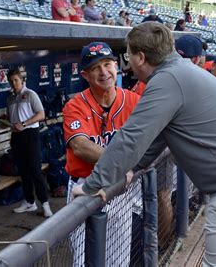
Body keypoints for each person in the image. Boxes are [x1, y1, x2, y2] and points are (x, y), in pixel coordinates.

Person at [73, 22, 216, 266]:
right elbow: (158, 137)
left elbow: (130, 139)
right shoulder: (181, 70)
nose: (129, 62)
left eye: (129, 55)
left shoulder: (167, 80)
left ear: (141, 57)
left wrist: (94, 184)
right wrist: (133, 169)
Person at [63, 42, 140, 266]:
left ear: (116, 66)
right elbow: (80, 146)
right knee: (84, 258)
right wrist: (120, 163)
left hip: (120, 187)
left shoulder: (133, 101)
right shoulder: (75, 105)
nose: (104, 72)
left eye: (107, 64)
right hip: (85, 188)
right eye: (96, 67)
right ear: (85, 74)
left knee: (119, 258)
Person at [5, 69, 52, 218]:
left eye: (16, 80)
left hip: (30, 135)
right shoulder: (10, 98)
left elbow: (41, 114)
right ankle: (29, 202)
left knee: (35, 171)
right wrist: (5, 121)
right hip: (16, 136)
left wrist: (24, 123)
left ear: (22, 80)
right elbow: (11, 118)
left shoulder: (30, 94)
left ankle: (45, 205)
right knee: (23, 171)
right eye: (11, 81)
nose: (14, 83)